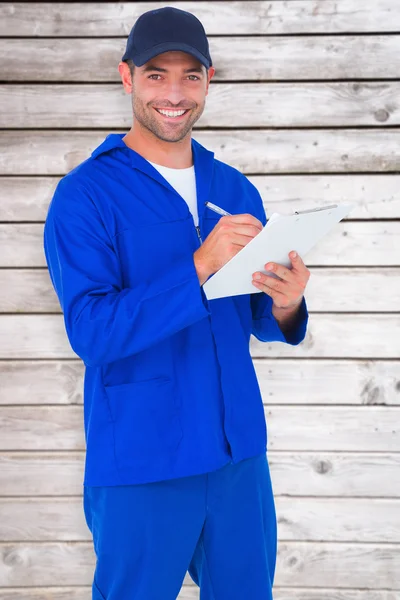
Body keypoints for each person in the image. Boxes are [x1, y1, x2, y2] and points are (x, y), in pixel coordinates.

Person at [43, 6, 310, 600]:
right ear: (127, 77)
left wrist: (288, 304)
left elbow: (257, 313)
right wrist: (197, 265)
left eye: (191, 75)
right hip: (143, 456)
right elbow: (92, 331)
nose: (174, 92)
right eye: (156, 73)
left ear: (208, 81)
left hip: (236, 454)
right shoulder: (85, 195)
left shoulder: (234, 187)